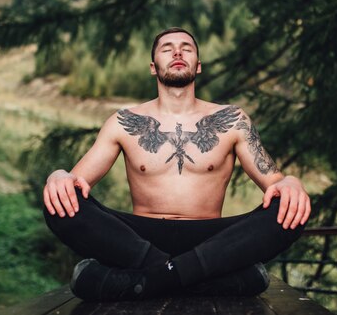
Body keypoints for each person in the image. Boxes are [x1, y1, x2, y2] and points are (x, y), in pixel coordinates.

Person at [43, 27, 311, 301]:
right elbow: (75, 185)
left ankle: (149, 281)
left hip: (210, 240)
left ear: (198, 65)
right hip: (139, 239)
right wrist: (58, 175)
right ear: (152, 66)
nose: (178, 52)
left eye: (187, 47)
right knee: (59, 203)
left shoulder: (233, 119)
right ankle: (199, 278)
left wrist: (291, 182)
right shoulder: (122, 121)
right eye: (167, 48)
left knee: (289, 208)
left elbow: (275, 184)